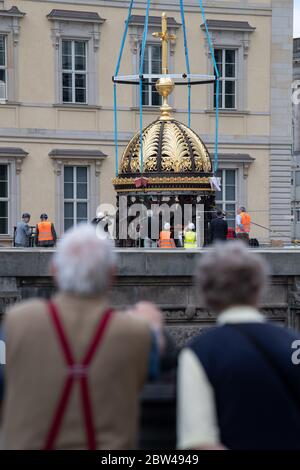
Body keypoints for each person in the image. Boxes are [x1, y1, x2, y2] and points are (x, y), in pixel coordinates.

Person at [1, 224, 164, 450]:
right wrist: (154, 328)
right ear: (112, 275)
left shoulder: (18, 321)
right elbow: (154, 365)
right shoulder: (134, 332)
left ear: (54, 271)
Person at [177, 242, 300, 450]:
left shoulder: (200, 352)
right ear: (260, 287)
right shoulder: (294, 343)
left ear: (206, 294)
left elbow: (199, 442)